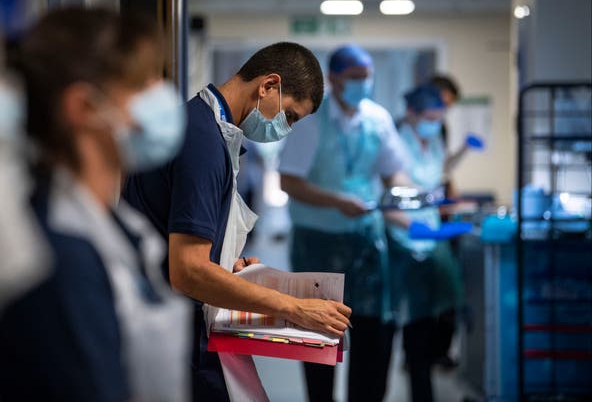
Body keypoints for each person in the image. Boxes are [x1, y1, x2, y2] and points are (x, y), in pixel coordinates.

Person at [0, 7, 191, 402]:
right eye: (143, 83)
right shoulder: (55, 257)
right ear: (85, 108)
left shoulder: (115, 224)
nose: (162, 95)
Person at [122, 42, 352, 401]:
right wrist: (293, 308)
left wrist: (230, 268)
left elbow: (186, 245)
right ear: (268, 86)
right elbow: (188, 272)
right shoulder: (202, 142)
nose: (286, 129)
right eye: (290, 116)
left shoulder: (212, 131)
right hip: (170, 333)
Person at [279, 45, 412, 402]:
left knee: (373, 335)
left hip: (366, 240)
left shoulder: (377, 119)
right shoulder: (311, 121)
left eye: (367, 76)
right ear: (334, 79)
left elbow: (392, 171)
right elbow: (288, 182)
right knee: (319, 337)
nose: (362, 84)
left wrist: (405, 195)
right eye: (354, 77)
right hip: (317, 244)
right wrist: (337, 202)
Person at [386, 84, 463, 402]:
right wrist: (416, 226)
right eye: (430, 116)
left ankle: (424, 383)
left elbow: (435, 182)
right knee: (410, 320)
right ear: (412, 114)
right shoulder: (395, 145)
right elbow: (389, 201)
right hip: (402, 241)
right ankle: (419, 385)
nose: (434, 123)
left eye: (438, 117)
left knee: (439, 312)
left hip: (429, 236)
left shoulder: (432, 143)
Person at [429, 74, 483, 370]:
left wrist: (452, 193)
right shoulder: (407, 129)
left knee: (446, 295)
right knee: (433, 296)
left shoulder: (440, 128)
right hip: (424, 223)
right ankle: (423, 354)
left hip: (440, 219)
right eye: (441, 102)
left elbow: (441, 170)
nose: (442, 110)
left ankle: (435, 352)